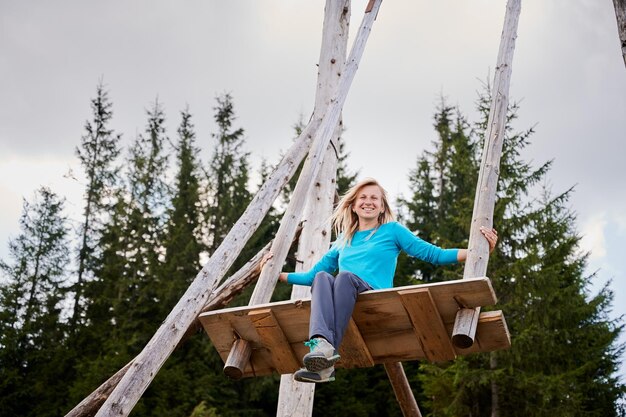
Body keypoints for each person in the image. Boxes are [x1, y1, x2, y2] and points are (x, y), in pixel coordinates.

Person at [261, 178, 497, 383]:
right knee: (323, 277)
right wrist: (273, 273)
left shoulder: (392, 231)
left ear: (382, 206)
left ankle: (327, 354)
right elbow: (310, 277)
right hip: (347, 298)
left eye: (375, 198)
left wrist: (478, 250)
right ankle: (321, 346)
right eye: (362, 197)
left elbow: (433, 254)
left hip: (375, 295)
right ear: (353, 205)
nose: (368, 201)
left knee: (343, 278)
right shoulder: (344, 239)